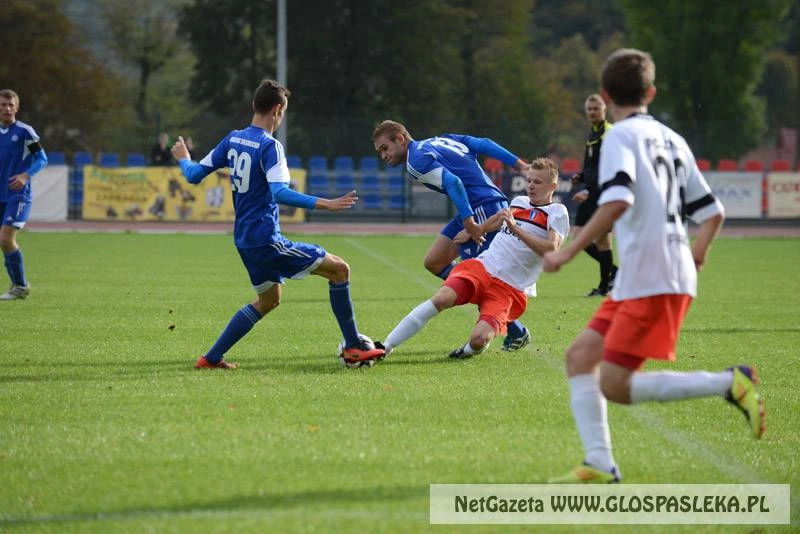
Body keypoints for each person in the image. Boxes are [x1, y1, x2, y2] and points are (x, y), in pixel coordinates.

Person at [543, 49, 764, 483]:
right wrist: (696, 254)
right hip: (647, 275)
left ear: (605, 96)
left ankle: (731, 383)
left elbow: (619, 199)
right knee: (580, 356)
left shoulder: (620, 137)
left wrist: (569, 251)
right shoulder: (673, 138)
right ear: (651, 92)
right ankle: (600, 463)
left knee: (615, 385)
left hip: (653, 276)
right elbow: (713, 211)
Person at [171, 79, 384, 369]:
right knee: (340, 270)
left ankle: (211, 358)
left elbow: (194, 174)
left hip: (244, 240)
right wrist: (327, 203)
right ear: (277, 109)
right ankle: (353, 348)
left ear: (253, 106)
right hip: (267, 240)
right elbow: (280, 193)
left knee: (269, 301)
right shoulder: (270, 146)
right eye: (283, 111)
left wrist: (184, 159)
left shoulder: (233, 138)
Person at [377, 158, 568, 360]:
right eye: (529, 180)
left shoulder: (557, 212)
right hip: (482, 268)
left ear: (552, 186)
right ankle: (384, 346)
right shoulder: (518, 202)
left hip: (510, 289)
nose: (531, 186)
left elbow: (551, 249)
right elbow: (499, 218)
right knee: (442, 299)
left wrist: (515, 230)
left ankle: (465, 351)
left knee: (479, 340)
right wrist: (474, 231)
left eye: (537, 182)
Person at [372, 120, 533, 351]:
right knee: (435, 261)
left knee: (480, 280)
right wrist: (520, 165)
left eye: (384, 148)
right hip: (477, 207)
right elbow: (484, 144)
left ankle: (515, 331)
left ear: (399, 138)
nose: (383, 156)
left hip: (481, 211)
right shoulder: (443, 138)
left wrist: (470, 224)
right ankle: (515, 328)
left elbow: (453, 181)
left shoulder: (415, 162)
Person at [0, 89, 48, 301]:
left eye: (11, 105)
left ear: (17, 108)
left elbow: (42, 159)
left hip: (17, 196)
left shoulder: (25, 132)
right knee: (4, 242)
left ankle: (20, 286)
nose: (7, 109)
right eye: (3, 105)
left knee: (5, 238)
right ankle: (17, 285)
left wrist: (25, 176)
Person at [571, 94, 618, 296]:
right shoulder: (592, 134)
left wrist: (589, 190)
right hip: (590, 193)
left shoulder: (609, 133)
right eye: (589, 109)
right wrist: (580, 176)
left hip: (602, 194)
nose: (592, 112)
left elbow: (608, 167)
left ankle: (604, 286)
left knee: (603, 241)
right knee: (578, 237)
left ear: (604, 110)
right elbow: (591, 165)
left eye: (596, 109)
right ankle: (615, 273)